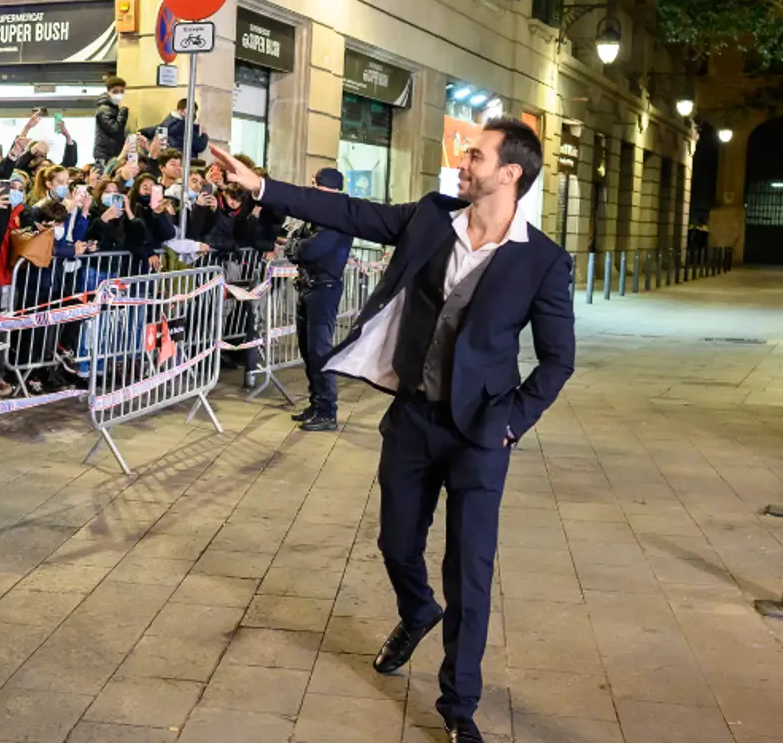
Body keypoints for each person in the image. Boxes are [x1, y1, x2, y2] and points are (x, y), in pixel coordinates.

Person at [210, 118, 574, 743]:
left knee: (471, 570)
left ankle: (459, 706)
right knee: (395, 543)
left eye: (477, 155)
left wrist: (511, 422)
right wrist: (264, 187)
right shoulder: (434, 217)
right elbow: (353, 212)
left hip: (480, 437)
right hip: (412, 417)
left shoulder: (542, 261)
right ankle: (415, 611)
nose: (464, 161)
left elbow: (557, 357)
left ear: (510, 172)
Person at [283, 168, 354, 432]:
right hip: (308, 285)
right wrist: (297, 247)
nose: (311, 188)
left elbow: (310, 249)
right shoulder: (316, 216)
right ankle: (316, 403)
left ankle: (327, 409)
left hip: (324, 288)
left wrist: (297, 247)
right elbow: (295, 241)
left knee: (319, 350)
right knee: (307, 348)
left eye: (315, 184)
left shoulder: (337, 216)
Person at [94, 75, 130, 164]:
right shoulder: (104, 109)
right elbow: (115, 129)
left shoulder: (115, 107)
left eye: (122, 91)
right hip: (105, 155)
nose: (119, 94)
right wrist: (123, 111)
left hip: (113, 152)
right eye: (115, 92)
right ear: (108, 93)